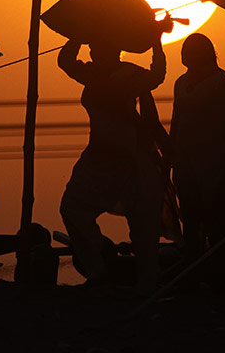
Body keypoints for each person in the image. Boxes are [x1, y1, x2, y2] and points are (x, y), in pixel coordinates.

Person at [58, 34, 167, 293]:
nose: (93, 52)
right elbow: (65, 61)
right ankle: (99, 269)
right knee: (72, 208)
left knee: (141, 221)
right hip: (98, 155)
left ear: (114, 51)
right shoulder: (92, 73)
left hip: (128, 157)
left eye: (97, 47)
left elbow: (157, 75)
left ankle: (146, 281)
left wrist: (156, 41)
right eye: (92, 48)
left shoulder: (127, 74)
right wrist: (79, 35)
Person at [169, 33, 225, 273]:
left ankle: (220, 272)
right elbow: (176, 120)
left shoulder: (220, 82)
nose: (184, 54)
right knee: (190, 216)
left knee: (215, 217)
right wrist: (171, 154)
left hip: (213, 159)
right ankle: (193, 268)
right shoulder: (180, 82)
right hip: (185, 160)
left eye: (190, 49)